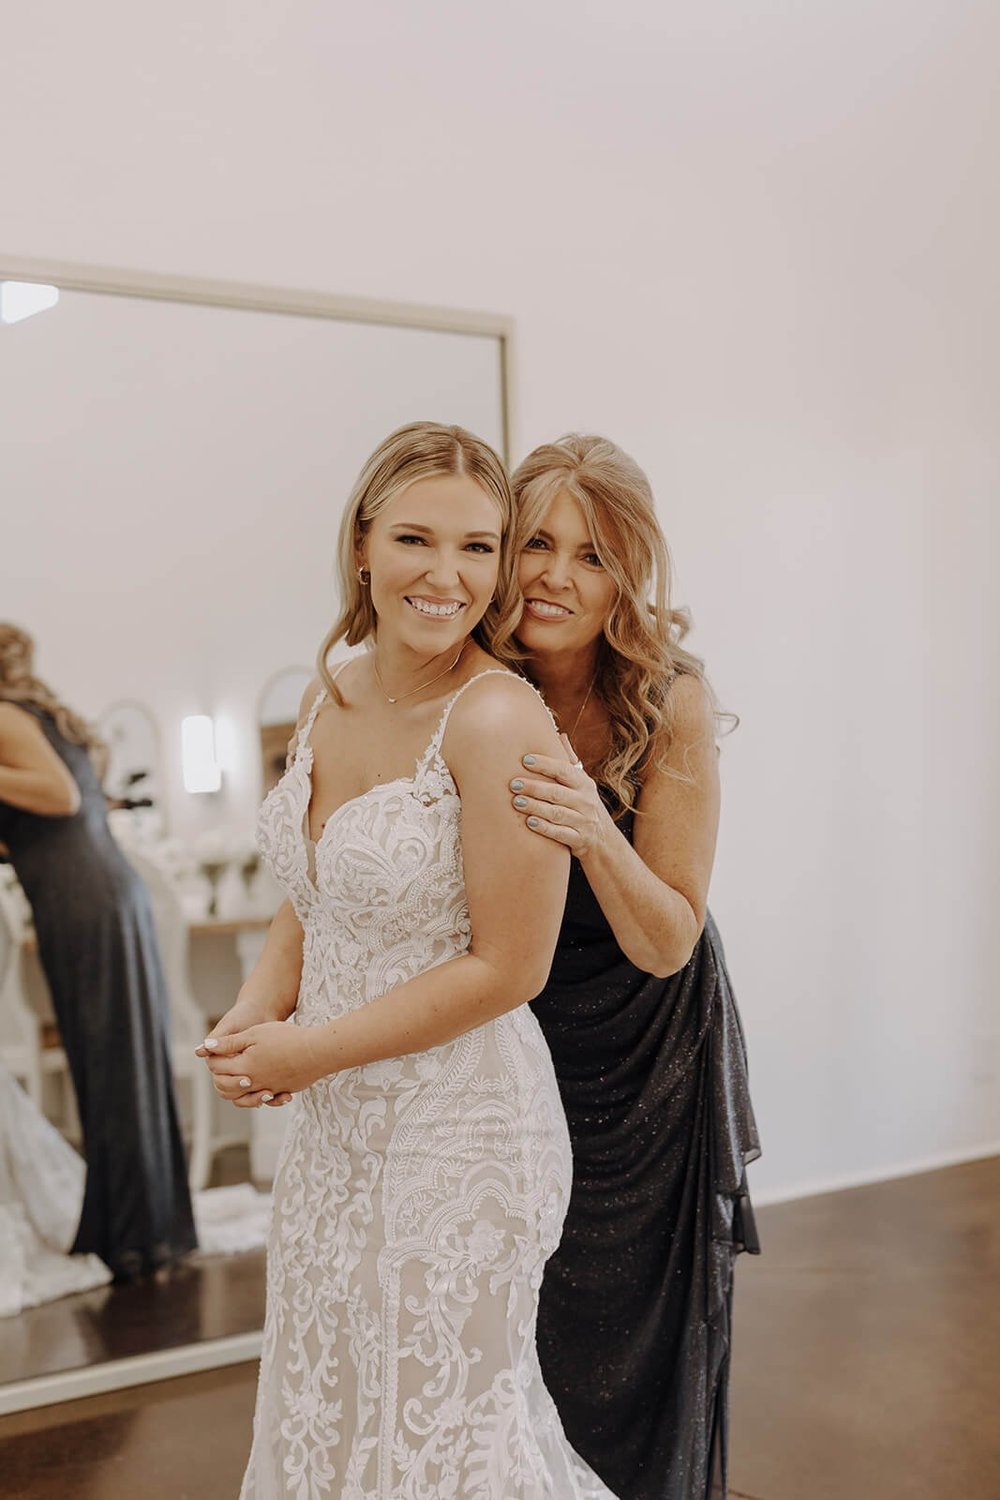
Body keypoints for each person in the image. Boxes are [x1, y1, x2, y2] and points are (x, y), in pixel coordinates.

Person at [199, 422, 619, 1500]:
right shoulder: (327, 694)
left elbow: (511, 967)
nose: (447, 576)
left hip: (459, 1132)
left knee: (441, 1434)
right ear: (362, 545)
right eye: (416, 539)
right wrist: (254, 1015)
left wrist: (310, 1051)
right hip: (338, 1130)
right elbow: (314, 887)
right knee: (331, 1404)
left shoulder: (497, 717)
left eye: (480, 549)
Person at [505, 435, 761, 1500]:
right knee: (532, 1317)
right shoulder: (478, 685)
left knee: (635, 1327)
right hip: (519, 1033)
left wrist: (590, 828)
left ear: (628, 576)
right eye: (535, 543)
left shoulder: (670, 697)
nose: (557, 576)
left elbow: (666, 937)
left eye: (594, 555)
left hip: (648, 1044)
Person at [0, 624, 197, 1281]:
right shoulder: (39, 718)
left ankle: (137, 1237)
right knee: (115, 1058)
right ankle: (140, 1228)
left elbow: (59, 797)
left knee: (111, 1060)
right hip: (102, 893)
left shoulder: (4, 717)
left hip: (84, 902)